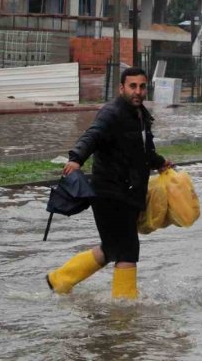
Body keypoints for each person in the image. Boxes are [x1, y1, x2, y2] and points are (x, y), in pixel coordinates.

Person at [46, 67, 172, 299]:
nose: (138, 91)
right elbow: (92, 135)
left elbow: (143, 151)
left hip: (129, 193)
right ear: (121, 88)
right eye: (132, 86)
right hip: (110, 194)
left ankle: (61, 278)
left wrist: (160, 162)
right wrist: (76, 159)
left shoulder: (141, 116)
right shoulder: (111, 113)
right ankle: (124, 305)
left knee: (113, 247)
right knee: (127, 250)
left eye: (142, 86)